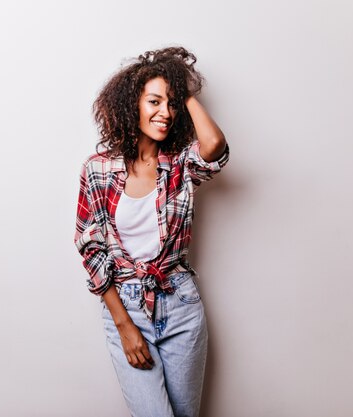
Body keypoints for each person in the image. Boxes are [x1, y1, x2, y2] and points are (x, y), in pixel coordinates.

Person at [74, 46, 229, 417]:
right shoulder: (98, 170)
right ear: (133, 105)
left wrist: (183, 86)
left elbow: (213, 147)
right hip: (126, 305)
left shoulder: (179, 166)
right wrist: (124, 325)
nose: (165, 112)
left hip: (181, 304)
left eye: (172, 104)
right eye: (154, 101)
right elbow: (91, 249)